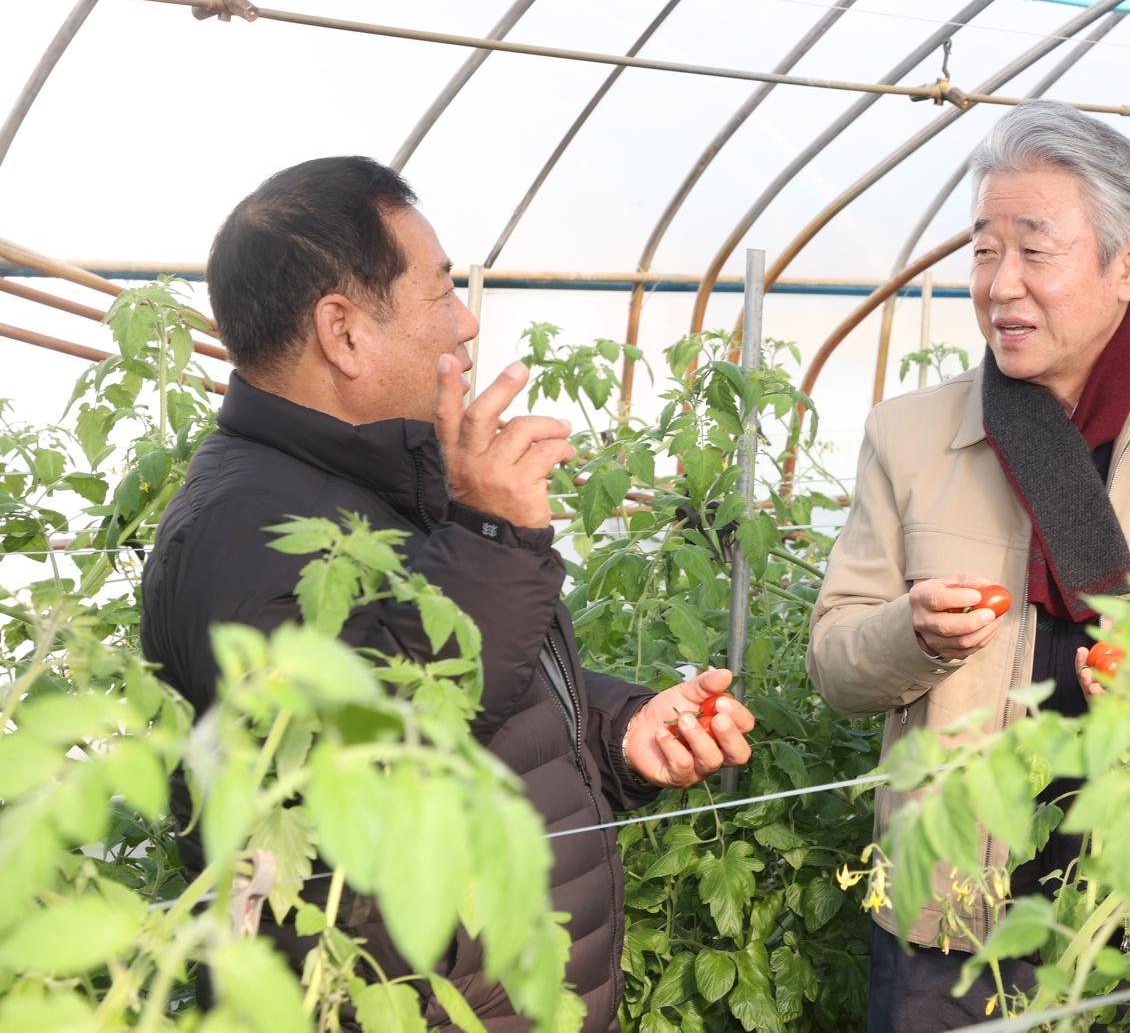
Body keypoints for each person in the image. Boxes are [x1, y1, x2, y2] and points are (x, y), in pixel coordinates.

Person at [140, 156, 755, 1032]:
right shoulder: (240, 531)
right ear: (342, 331)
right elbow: (370, 762)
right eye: (439, 294)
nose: (465, 323)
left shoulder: (386, 477)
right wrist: (495, 538)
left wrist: (620, 730)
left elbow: (491, 697)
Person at [806, 100, 1130, 1030]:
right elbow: (836, 663)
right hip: (948, 916)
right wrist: (909, 633)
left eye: (1034, 252)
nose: (1000, 285)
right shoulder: (909, 436)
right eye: (984, 250)